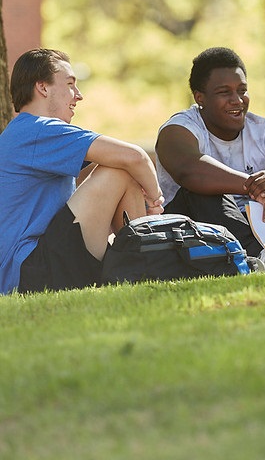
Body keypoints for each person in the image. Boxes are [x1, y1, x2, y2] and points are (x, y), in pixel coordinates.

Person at [0, 49, 164, 295]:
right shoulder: (37, 129)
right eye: (70, 84)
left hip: (36, 265)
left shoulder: (24, 132)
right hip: (30, 272)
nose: (79, 95)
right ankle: (145, 268)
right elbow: (135, 157)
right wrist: (155, 201)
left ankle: (140, 266)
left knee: (116, 168)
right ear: (43, 88)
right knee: (119, 170)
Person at [155, 47, 265, 258]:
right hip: (190, 232)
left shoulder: (260, 129)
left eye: (242, 90)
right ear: (200, 98)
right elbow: (189, 170)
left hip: (252, 224)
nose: (237, 100)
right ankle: (259, 258)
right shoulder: (178, 129)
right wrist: (260, 189)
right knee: (200, 191)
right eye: (224, 92)